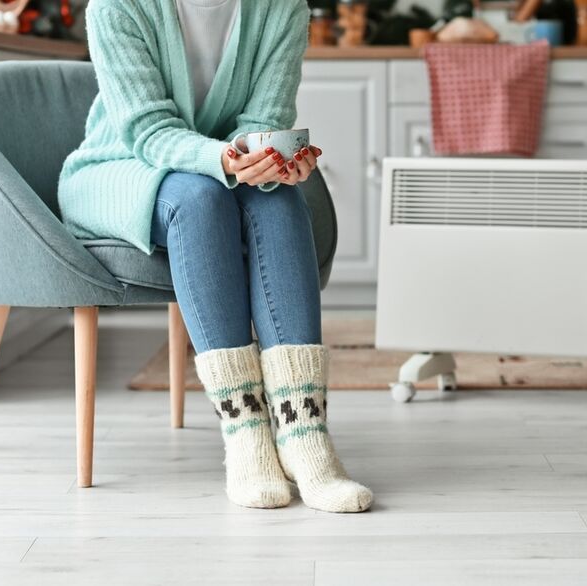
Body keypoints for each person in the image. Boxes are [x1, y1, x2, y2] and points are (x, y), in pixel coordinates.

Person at [57, 0, 372, 513]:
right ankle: (246, 432)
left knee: (278, 197)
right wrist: (223, 161)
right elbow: (146, 130)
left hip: (213, 166)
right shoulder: (116, 5)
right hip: (119, 167)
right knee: (199, 198)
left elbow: (265, 116)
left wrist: (267, 158)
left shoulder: (283, 7)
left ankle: (304, 435)